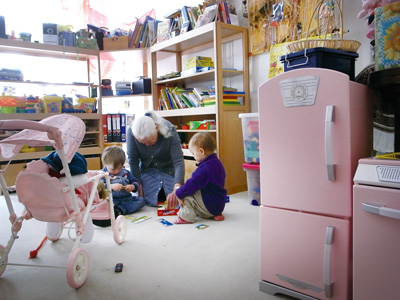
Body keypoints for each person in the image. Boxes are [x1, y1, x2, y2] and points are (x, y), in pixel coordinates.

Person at [126, 110, 185, 207]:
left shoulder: (169, 129)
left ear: (156, 128)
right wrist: (138, 186)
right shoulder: (131, 131)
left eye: (150, 140)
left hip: (168, 171)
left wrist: (177, 187)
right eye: (142, 143)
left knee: (177, 201)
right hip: (147, 171)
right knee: (150, 201)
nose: (146, 145)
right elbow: (133, 162)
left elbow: (178, 162)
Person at [167, 132, 227, 224]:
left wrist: (179, 193)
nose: (193, 156)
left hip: (209, 207)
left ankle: (186, 217)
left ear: (202, 151)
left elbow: (192, 184)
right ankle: (217, 214)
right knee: (202, 190)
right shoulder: (218, 163)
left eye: (193, 153)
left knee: (186, 194)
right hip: (219, 205)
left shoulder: (204, 169)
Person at [94, 146, 145, 227]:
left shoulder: (125, 172)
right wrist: (110, 186)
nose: (117, 171)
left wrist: (132, 186)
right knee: (100, 206)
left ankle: (119, 210)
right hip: (111, 200)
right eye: (113, 169)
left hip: (126, 199)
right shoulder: (101, 174)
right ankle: (116, 211)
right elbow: (99, 187)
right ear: (104, 164)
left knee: (141, 201)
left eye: (120, 168)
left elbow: (135, 181)